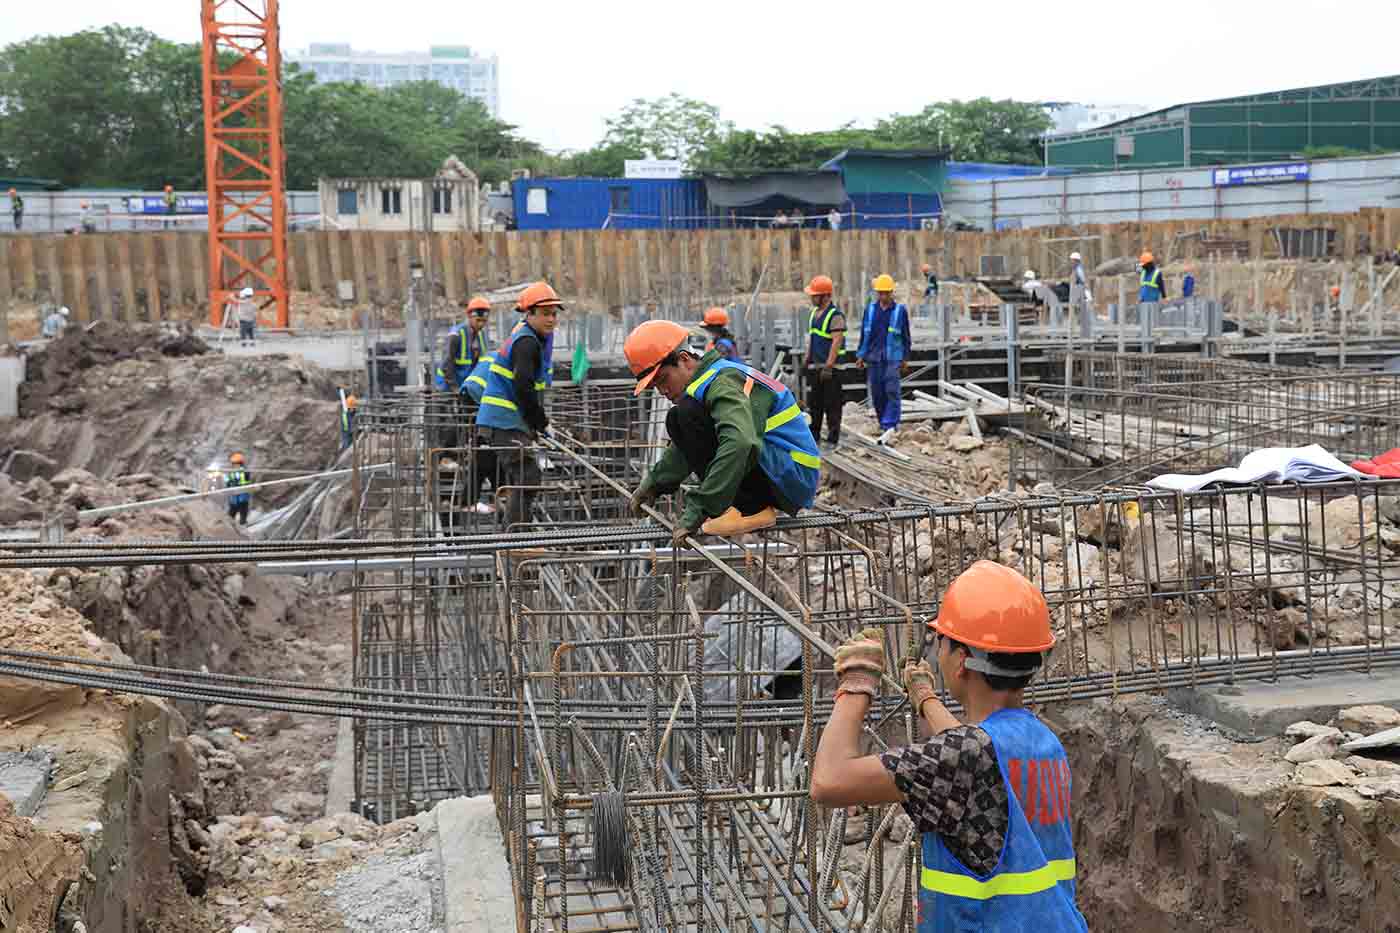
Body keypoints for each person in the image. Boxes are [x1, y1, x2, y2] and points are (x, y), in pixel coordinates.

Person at [812, 561, 1088, 933]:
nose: (936, 649)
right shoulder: (1043, 742)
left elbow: (828, 782)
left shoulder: (966, 756)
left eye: (940, 640)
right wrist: (924, 696)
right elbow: (973, 753)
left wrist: (856, 684)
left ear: (960, 661)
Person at [625, 320, 820, 539]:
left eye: (663, 380)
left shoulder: (722, 382)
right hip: (780, 468)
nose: (662, 390)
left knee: (686, 414)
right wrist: (654, 483)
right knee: (678, 418)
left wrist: (701, 507)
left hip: (791, 476)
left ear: (684, 360)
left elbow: (741, 442)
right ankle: (740, 505)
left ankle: (750, 509)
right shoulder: (710, 380)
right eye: (655, 387)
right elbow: (686, 448)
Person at [476, 281, 561, 526]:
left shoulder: (528, 337)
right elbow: (523, 387)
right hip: (503, 420)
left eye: (554, 314)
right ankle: (516, 541)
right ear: (529, 313)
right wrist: (542, 422)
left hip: (504, 421)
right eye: (545, 313)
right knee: (528, 475)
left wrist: (536, 426)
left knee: (521, 477)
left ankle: (512, 535)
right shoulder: (527, 342)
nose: (551, 319)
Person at [855, 274, 911, 446]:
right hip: (874, 357)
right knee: (878, 392)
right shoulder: (870, 310)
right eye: (880, 293)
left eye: (886, 293)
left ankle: (890, 424)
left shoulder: (899, 311)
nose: (883, 297)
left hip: (892, 357)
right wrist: (860, 355)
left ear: (891, 293)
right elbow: (865, 334)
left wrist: (905, 358)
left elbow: (906, 337)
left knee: (892, 390)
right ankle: (882, 422)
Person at [803, 274, 846, 446]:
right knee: (815, 404)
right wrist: (807, 358)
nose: (812, 298)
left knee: (833, 404)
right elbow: (813, 338)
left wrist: (829, 365)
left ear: (825, 296)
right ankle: (814, 436)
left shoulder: (835, 315)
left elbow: (837, 341)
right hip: (816, 366)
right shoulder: (814, 314)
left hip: (831, 369)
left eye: (815, 295)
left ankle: (833, 437)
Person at [225, 452, 252, 526]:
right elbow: (227, 481)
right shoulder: (231, 472)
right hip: (234, 494)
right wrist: (229, 482)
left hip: (242, 493)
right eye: (233, 464)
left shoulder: (244, 471)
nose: (234, 465)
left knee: (243, 509)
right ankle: (230, 524)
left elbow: (246, 479)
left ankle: (242, 523)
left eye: (236, 463)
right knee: (232, 510)